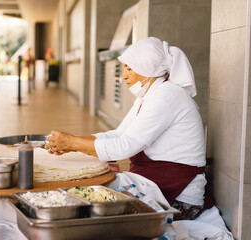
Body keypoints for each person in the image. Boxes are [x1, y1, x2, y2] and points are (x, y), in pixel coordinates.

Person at [45, 37, 208, 220]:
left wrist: (73, 143)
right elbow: (118, 134)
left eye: (129, 68)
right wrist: (70, 143)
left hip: (179, 200)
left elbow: (125, 146)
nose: (123, 76)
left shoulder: (167, 96)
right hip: (156, 183)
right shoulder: (150, 94)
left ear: (148, 69)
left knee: (84, 196)